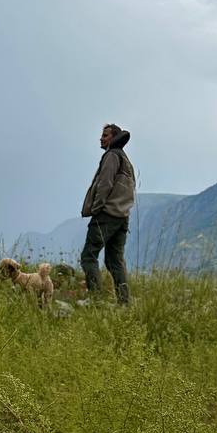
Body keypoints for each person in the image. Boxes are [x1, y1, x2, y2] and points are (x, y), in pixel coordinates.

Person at [79, 123, 135, 304]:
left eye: (105, 135)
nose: (101, 138)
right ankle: (124, 302)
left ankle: (95, 300)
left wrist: (96, 208)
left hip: (106, 215)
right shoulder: (126, 160)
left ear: (113, 138)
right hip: (122, 217)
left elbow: (105, 184)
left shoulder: (111, 156)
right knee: (114, 261)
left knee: (89, 256)